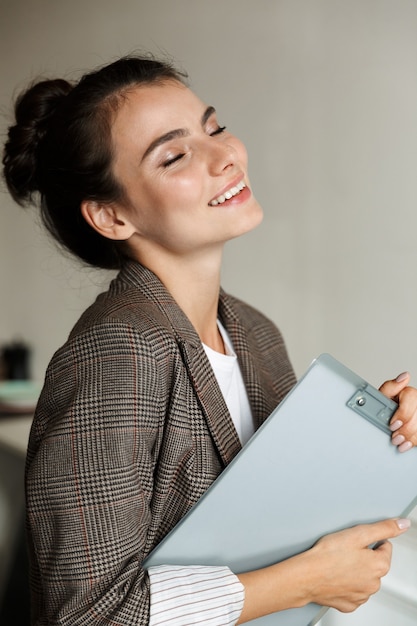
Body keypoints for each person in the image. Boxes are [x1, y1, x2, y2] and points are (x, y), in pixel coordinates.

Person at [3, 54, 417, 626]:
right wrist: (299, 584)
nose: (225, 157)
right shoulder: (115, 353)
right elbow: (85, 614)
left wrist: (384, 438)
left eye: (215, 128)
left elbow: (281, 521)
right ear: (111, 215)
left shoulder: (254, 333)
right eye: (175, 156)